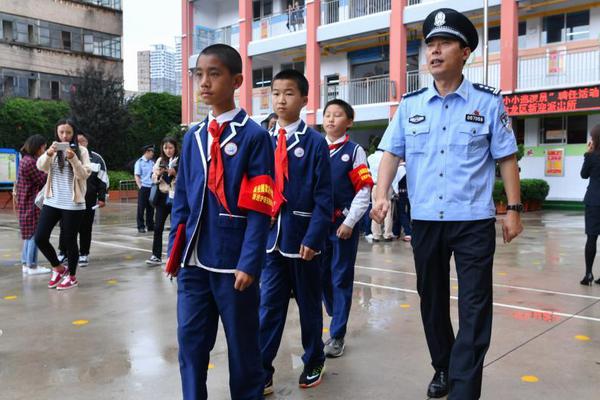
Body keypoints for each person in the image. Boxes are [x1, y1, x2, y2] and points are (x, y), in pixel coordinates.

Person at [372, 8, 523, 399]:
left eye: (444, 44)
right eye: (430, 45)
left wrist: (514, 209)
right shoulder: (410, 105)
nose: (434, 52)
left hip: (472, 220)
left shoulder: (489, 103)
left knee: (474, 307)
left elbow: (506, 157)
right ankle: (443, 365)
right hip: (425, 220)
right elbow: (390, 151)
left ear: (465, 52)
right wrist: (380, 193)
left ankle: (463, 387)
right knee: (432, 303)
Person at [168, 43, 275, 400]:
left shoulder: (254, 136)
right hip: (194, 263)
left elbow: (261, 205)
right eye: (199, 74)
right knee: (191, 344)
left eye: (214, 74)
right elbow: (181, 197)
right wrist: (175, 251)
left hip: (233, 265)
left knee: (244, 349)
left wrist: (250, 262)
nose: (204, 82)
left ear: (237, 80)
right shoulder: (193, 136)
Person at [259, 69, 333, 395]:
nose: (280, 100)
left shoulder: (315, 142)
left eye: (288, 93)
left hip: (303, 240)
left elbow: (324, 197)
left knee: (308, 307)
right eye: (276, 93)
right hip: (270, 241)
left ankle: (314, 358)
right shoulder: (262, 140)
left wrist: (314, 238)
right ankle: (262, 370)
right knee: (268, 308)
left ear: (303, 99)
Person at [320, 99, 373, 358]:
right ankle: (336, 313)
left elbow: (363, 190)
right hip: (316, 227)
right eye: (327, 114)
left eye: (337, 115)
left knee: (340, 278)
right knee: (320, 278)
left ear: (349, 121)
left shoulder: (354, 151)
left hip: (342, 226)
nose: (331, 119)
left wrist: (350, 222)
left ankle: (337, 334)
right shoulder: (315, 147)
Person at [35, 119, 91, 290]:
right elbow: (41, 167)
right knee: (40, 237)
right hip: (52, 201)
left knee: (69, 241)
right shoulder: (52, 150)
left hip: (73, 203)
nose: (65, 135)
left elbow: (83, 175)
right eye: (61, 132)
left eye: (68, 132)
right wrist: (49, 153)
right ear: (57, 133)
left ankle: (72, 276)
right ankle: (58, 267)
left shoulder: (81, 150)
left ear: (73, 133)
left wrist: (74, 159)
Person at [57, 133, 108, 267]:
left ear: (87, 142)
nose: (79, 144)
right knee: (65, 227)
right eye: (77, 141)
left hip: (88, 200)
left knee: (85, 228)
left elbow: (103, 179)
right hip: (68, 198)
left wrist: (102, 197)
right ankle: (63, 252)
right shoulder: (65, 154)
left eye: (82, 141)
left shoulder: (96, 159)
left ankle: (84, 253)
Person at [16, 134, 51, 276]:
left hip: (26, 201)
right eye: (43, 147)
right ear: (37, 147)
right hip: (31, 202)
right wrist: (51, 169)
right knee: (34, 234)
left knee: (29, 234)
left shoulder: (26, 160)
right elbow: (42, 179)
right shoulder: (30, 162)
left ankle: (26, 263)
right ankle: (31, 265)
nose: (44, 150)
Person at [146, 137, 178, 265]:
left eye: (170, 147)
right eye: (165, 148)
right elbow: (153, 176)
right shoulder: (160, 160)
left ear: (175, 148)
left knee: (176, 227)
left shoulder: (180, 160)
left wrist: (174, 172)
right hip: (162, 197)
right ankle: (156, 255)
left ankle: (175, 256)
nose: (168, 150)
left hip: (176, 197)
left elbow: (186, 175)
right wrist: (158, 175)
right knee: (158, 226)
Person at [580, 124, 600, 285]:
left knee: (591, 238)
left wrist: (588, 153)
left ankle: (588, 274)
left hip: (594, 201)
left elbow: (583, 175)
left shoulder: (591, 156)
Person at [368, 149, 395, 241]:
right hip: (387, 185)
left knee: (375, 208)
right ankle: (387, 234)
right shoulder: (387, 157)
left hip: (375, 185)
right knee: (388, 209)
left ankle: (376, 235)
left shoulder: (370, 157)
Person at [134, 145, 155, 233]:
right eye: (151, 152)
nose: (153, 154)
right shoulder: (139, 162)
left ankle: (150, 225)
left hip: (152, 187)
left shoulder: (152, 163)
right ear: (147, 152)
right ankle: (140, 226)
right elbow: (137, 175)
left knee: (151, 208)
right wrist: (140, 186)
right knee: (141, 208)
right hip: (144, 188)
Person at [392, 163, 412, 242]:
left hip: (401, 193)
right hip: (410, 194)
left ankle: (407, 232)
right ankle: (396, 231)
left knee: (401, 213)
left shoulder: (400, 168)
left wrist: (396, 192)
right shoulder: (410, 166)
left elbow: (395, 182)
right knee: (408, 213)